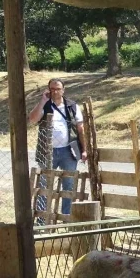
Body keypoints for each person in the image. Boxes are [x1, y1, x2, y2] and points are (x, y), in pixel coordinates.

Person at [28, 78, 87, 216]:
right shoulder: (45, 105)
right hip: (47, 152)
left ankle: (66, 217)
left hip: (69, 150)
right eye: (52, 89)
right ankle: (42, 220)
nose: (55, 91)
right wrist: (42, 100)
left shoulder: (72, 106)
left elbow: (80, 129)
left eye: (58, 89)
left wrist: (84, 150)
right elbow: (32, 119)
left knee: (69, 185)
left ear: (63, 90)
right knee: (44, 185)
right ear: (48, 90)